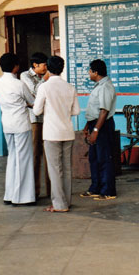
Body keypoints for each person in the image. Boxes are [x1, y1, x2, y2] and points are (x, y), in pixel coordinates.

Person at [33, 56, 80, 212]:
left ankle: (59, 204)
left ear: (48, 69)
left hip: (52, 134)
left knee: (55, 169)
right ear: (62, 69)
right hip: (67, 132)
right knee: (66, 169)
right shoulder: (70, 87)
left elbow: (37, 110)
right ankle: (66, 201)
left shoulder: (44, 87)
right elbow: (76, 111)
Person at [0, 53, 36, 206]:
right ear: (15, 67)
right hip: (21, 125)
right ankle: (23, 197)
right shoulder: (19, 84)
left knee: (12, 159)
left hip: (7, 124)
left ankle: (10, 195)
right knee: (23, 160)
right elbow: (32, 102)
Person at [80, 59, 117, 200]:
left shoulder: (106, 87)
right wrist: (87, 126)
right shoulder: (98, 86)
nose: (89, 73)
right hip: (94, 123)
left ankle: (108, 191)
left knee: (104, 158)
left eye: (90, 71)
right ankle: (95, 188)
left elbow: (104, 111)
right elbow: (94, 110)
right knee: (94, 158)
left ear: (96, 72)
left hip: (103, 125)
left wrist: (95, 130)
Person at [20, 52, 50, 198]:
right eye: (44, 65)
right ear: (35, 65)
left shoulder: (45, 76)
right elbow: (35, 92)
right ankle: (35, 191)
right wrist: (45, 80)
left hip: (47, 119)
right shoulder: (24, 76)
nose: (46, 67)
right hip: (34, 120)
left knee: (49, 156)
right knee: (35, 155)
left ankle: (51, 191)